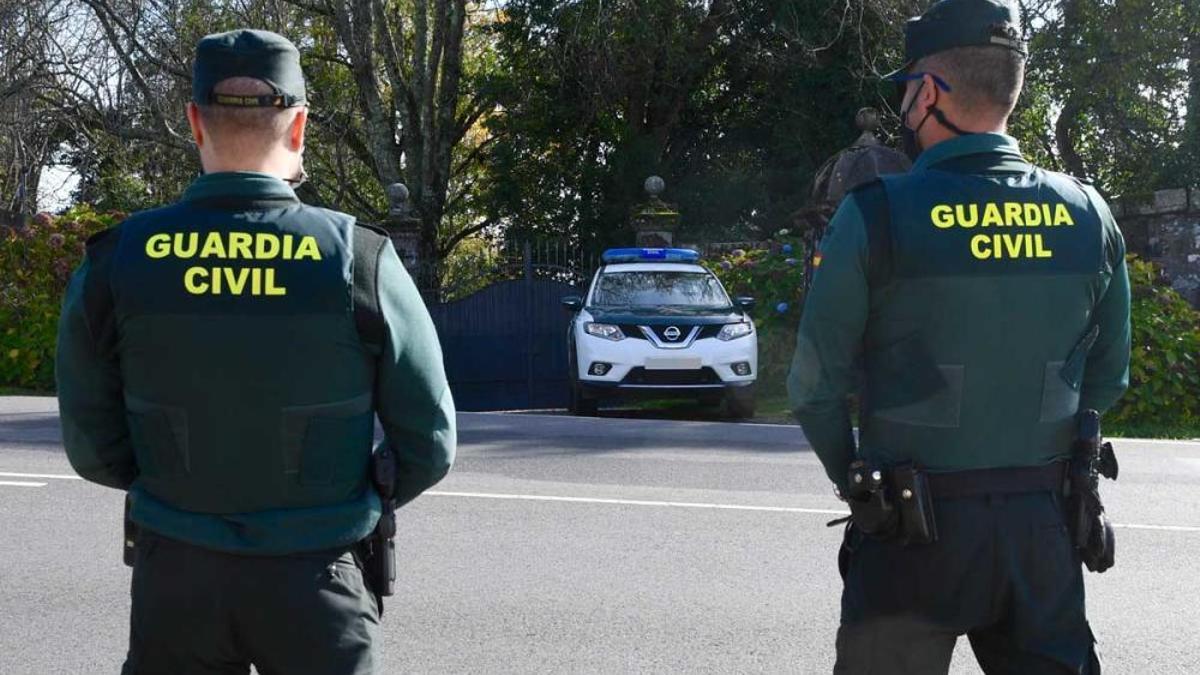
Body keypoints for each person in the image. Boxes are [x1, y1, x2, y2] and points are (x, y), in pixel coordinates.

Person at [55, 29, 456, 674]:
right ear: (298, 127)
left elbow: (92, 443)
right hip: (319, 579)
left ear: (193, 123)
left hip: (175, 577)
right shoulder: (358, 259)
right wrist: (355, 494)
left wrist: (175, 489)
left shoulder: (119, 260)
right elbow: (430, 441)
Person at [786, 1, 1130, 672]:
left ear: (931, 92)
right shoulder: (1090, 214)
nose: (904, 107)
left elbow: (814, 386)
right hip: (1042, 528)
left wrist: (853, 481)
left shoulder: (875, 212)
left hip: (908, 532)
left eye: (906, 88)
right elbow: (1108, 376)